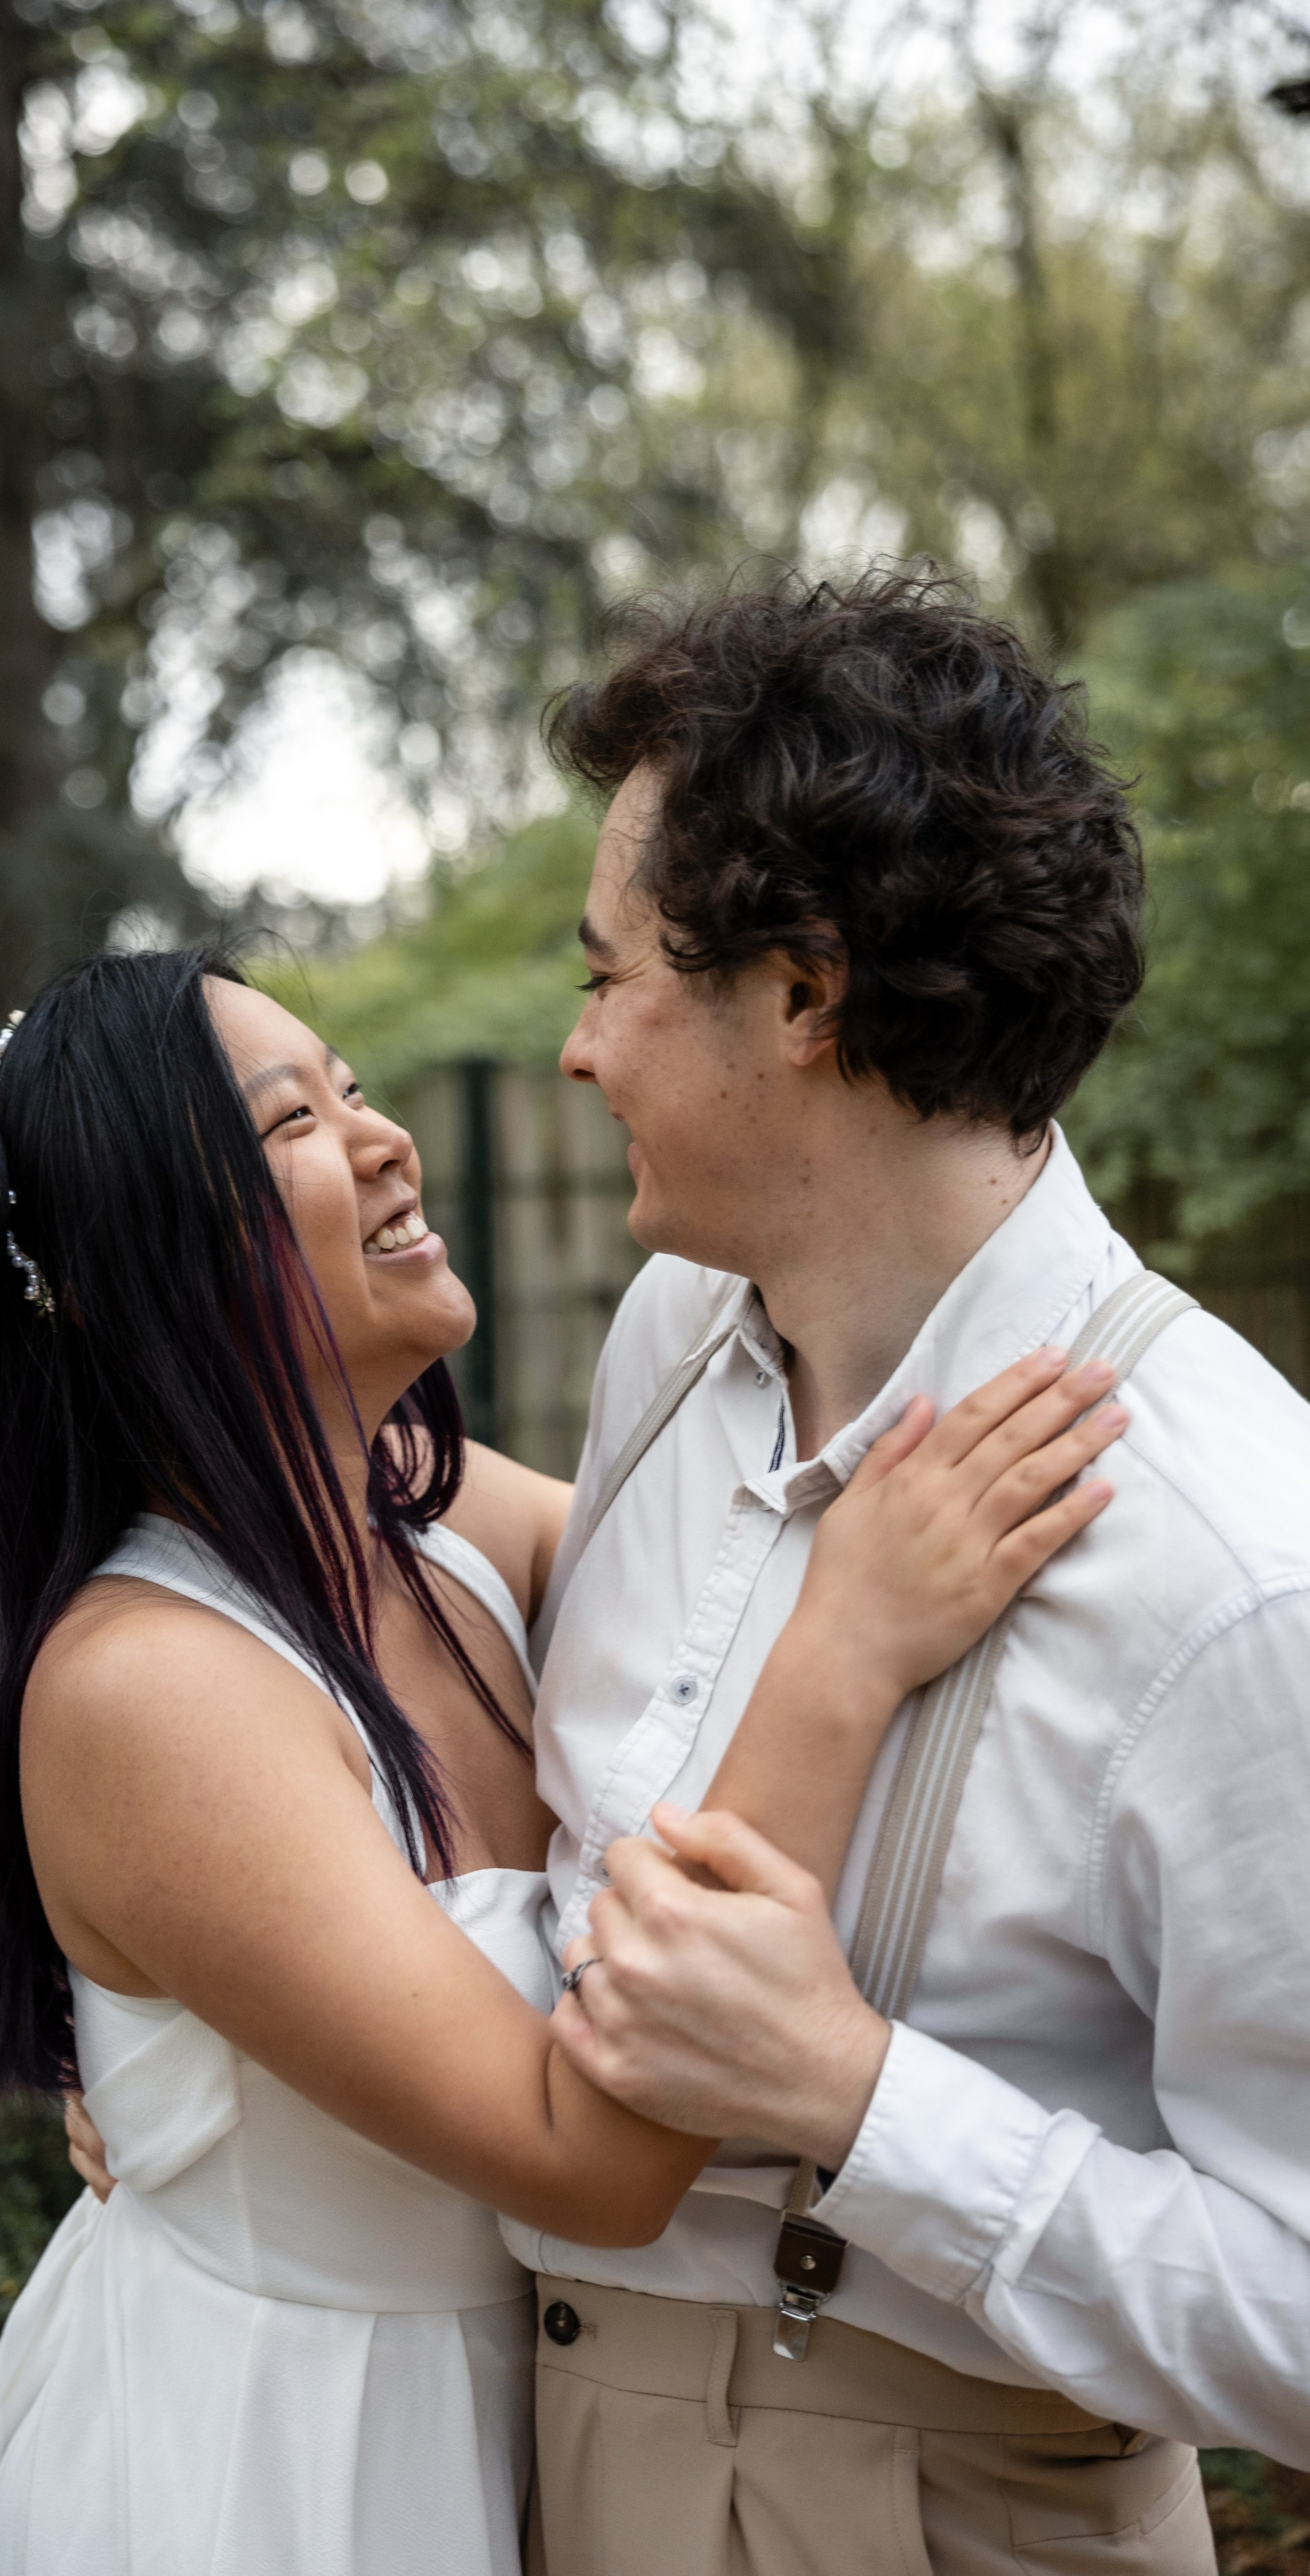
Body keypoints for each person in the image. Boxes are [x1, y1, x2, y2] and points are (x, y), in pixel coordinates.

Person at [0, 943, 1120, 2576]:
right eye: (290, 1125)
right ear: (147, 1261)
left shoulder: (448, 1525)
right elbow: (587, 2160)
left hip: (573, 2422)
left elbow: (729, 1610)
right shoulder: (149, 1694)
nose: (383, 1136)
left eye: (349, 1087)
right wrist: (846, 1652)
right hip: (291, 2471)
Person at [498, 568, 1310, 2573]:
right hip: (546, 2445)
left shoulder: (1233, 1570)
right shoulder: (664, 1347)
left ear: (800, 990)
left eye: (610, 978)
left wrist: (863, 2106)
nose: (579, 1050)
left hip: (957, 2515)